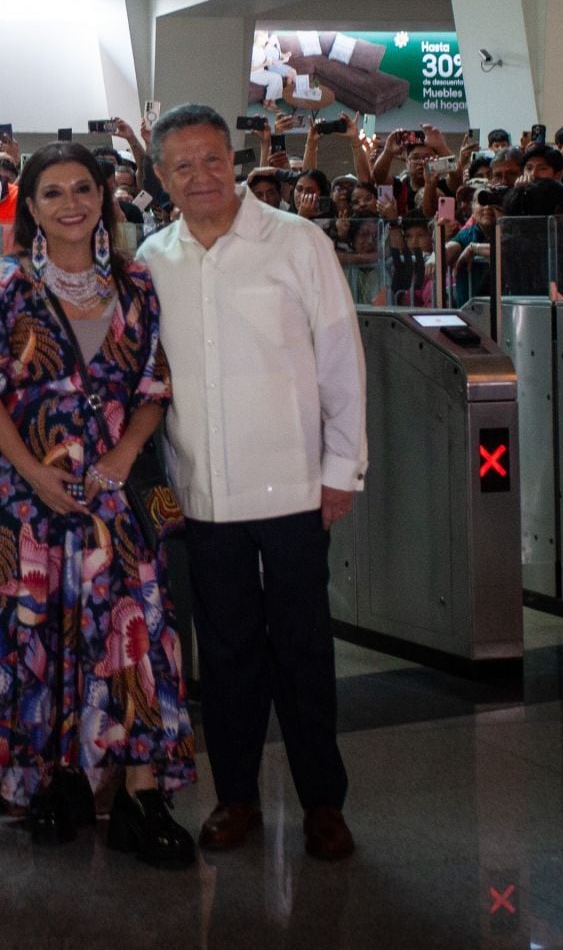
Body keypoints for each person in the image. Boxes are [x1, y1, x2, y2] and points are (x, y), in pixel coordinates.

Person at [0, 141, 197, 867]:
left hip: (113, 501)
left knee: (136, 640)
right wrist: (29, 469)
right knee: (41, 637)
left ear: (104, 196)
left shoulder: (136, 283)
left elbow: (154, 387)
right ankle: (54, 780)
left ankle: (140, 791)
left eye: (83, 188)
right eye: (53, 191)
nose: (71, 202)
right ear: (29, 206)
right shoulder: (0, 285)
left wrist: (122, 458)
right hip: (27, 500)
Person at [139, 104, 366, 862]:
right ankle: (234, 794)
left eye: (211, 159)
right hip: (205, 496)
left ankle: (323, 802)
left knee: (304, 647)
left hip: (297, 488)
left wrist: (343, 468)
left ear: (231, 161)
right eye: (182, 165)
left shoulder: (296, 242)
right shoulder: (154, 258)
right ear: (162, 175)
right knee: (227, 654)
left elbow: (341, 361)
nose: (200, 176)